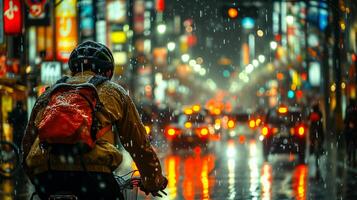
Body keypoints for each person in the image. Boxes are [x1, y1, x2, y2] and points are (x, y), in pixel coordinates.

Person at [22, 41, 167, 200]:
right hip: (94, 176)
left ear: (73, 69)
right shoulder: (114, 92)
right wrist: (153, 180)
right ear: (108, 71)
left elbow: (28, 142)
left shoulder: (49, 93)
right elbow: (138, 144)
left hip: (47, 176)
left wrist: (37, 178)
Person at [309, 103, 324, 178]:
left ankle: (312, 151)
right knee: (320, 142)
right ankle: (320, 150)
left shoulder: (312, 113)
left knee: (312, 143)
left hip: (313, 133)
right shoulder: (319, 113)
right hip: (318, 132)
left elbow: (308, 118)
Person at [344, 98, 357, 166]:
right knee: (354, 145)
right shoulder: (355, 109)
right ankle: (354, 160)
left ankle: (349, 158)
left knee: (348, 144)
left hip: (348, 131)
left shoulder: (348, 109)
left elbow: (345, 120)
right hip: (354, 131)